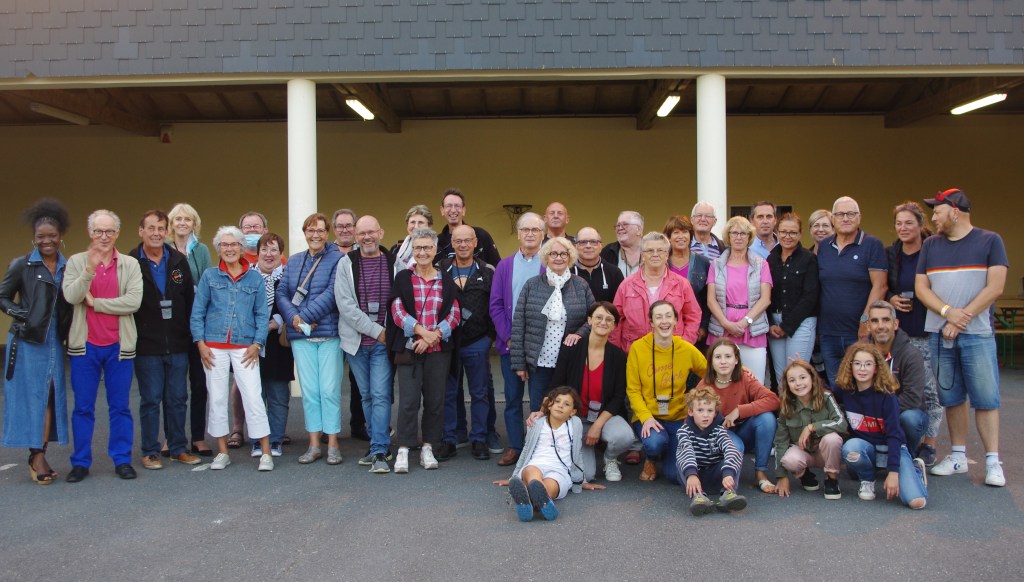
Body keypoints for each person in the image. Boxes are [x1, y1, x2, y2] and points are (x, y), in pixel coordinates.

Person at [916, 188, 1008, 487]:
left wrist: (961, 317)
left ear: (954, 211)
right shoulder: (931, 245)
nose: (933, 217)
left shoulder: (990, 241)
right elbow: (921, 288)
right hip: (939, 333)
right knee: (951, 397)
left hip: (977, 334)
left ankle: (993, 461)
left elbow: (995, 287)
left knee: (986, 398)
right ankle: (957, 456)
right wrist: (947, 312)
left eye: (937, 211)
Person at [62, 209, 143, 483]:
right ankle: (80, 462)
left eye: (109, 231)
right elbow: (71, 296)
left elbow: (133, 302)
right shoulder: (76, 262)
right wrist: (89, 269)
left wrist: (96, 303)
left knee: (120, 406)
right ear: (90, 232)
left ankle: (121, 460)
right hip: (85, 346)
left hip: (119, 345)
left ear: (117, 233)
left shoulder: (130, 264)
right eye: (99, 231)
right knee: (83, 407)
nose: (104, 236)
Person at [1, 199, 72, 484]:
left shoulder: (68, 266)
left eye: (51, 235)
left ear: (60, 236)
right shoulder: (22, 265)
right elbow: (2, 297)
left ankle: (39, 451)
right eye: (41, 236)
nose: (46, 241)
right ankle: (36, 456)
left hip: (54, 340)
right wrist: (23, 314)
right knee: (34, 397)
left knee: (51, 396)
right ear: (34, 237)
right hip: (28, 342)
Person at [191, 226, 273, 472]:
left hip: (245, 346)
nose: (229, 249)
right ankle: (222, 452)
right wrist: (200, 344)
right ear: (218, 249)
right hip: (213, 347)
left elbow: (262, 314)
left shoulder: (255, 278)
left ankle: (266, 452)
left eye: (234, 244)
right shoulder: (209, 276)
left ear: (241, 247)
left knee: (253, 397)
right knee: (217, 398)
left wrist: (257, 343)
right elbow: (197, 312)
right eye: (224, 245)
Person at [129, 210, 200, 470]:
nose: (156, 233)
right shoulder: (131, 262)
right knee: (150, 400)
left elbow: (190, 301)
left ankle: (178, 447)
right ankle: (150, 451)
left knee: (178, 398)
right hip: (146, 344)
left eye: (161, 228)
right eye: (151, 228)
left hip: (178, 343)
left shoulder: (178, 261)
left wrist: (190, 335)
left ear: (166, 232)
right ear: (141, 231)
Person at [389, 228, 460, 473]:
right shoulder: (403, 278)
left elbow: (454, 314)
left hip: (438, 351)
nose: (422, 252)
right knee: (408, 401)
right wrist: (421, 332)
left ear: (435, 250)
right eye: (418, 247)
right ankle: (404, 448)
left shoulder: (445, 280)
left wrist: (434, 337)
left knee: (434, 401)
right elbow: (397, 311)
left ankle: (429, 446)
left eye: (427, 247)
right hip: (410, 349)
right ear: (412, 250)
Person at [277, 213, 343, 465]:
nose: (316, 235)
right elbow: (282, 293)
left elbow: (333, 293)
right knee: (310, 392)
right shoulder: (294, 261)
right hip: (300, 337)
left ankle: (333, 443)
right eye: (311, 230)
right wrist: (295, 319)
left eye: (320, 230)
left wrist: (304, 317)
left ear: (328, 233)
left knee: (329, 390)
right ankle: (314, 444)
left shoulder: (338, 259)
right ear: (304, 232)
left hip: (328, 334)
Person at [832, 343, 928, 509]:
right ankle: (867, 479)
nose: (862, 369)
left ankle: (916, 469)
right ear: (850, 366)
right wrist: (804, 371)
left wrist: (893, 472)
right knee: (851, 447)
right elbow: (822, 393)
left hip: (891, 448)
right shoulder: (844, 390)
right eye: (857, 363)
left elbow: (894, 435)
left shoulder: (887, 396)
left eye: (868, 364)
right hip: (866, 450)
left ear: (876, 368)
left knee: (916, 503)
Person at [335, 215, 396, 474]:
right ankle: (376, 443)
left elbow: (400, 300)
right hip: (357, 342)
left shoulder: (395, 263)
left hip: (384, 343)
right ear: (356, 236)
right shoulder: (345, 263)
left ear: (380, 233)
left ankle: (380, 448)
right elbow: (346, 306)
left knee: (380, 394)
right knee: (367, 395)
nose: (367, 237)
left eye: (371, 232)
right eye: (362, 233)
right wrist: (376, 331)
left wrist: (384, 333)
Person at [551, 302, 638, 482]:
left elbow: (618, 397)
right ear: (589, 320)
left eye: (609, 319)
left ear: (614, 326)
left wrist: (597, 425)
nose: (603, 322)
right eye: (598, 317)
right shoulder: (571, 349)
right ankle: (581, 450)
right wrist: (543, 409)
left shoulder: (618, 356)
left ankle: (610, 458)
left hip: (604, 417)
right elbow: (557, 385)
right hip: (575, 418)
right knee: (586, 476)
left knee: (625, 437)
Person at [511, 237, 594, 415]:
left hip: (569, 361)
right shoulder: (532, 285)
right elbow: (518, 324)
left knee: (568, 410)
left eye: (563, 253)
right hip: (540, 362)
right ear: (546, 257)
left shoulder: (581, 285)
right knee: (539, 410)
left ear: (570, 257)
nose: (558, 258)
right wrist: (519, 363)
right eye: (553, 253)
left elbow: (593, 318)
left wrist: (579, 333)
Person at [626, 301, 708, 482]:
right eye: (659, 317)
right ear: (651, 323)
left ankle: (668, 452)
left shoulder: (685, 348)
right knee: (655, 443)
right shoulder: (638, 348)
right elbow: (633, 390)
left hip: (678, 417)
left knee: (674, 475)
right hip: (649, 416)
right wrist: (646, 417)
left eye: (668, 316)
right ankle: (651, 457)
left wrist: (740, 370)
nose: (664, 321)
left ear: (676, 321)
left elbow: (710, 372)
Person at [493, 387, 603, 522]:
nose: (560, 406)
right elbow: (526, 450)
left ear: (573, 412)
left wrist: (581, 481)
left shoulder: (575, 424)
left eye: (566, 404)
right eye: (557, 401)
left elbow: (577, 453)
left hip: (560, 470)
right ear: (549, 405)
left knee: (551, 485)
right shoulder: (537, 423)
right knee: (531, 472)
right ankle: (539, 502)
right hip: (536, 464)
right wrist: (514, 477)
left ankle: (529, 503)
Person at [886, 200, 942, 465]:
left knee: (930, 390)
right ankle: (906, 437)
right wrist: (891, 297)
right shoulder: (892, 253)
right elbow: (884, 285)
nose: (903, 228)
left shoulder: (933, 251)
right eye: (899, 223)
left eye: (909, 223)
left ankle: (929, 443)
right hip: (901, 333)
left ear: (921, 225)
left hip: (928, 329)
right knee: (900, 386)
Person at [438, 224, 499, 461]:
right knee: (449, 392)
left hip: (477, 341)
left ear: (475, 243)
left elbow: (495, 304)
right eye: (458, 241)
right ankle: (450, 439)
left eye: (467, 240)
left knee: (479, 393)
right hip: (448, 341)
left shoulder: (487, 270)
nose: (463, 245)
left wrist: (490, 337)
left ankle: (479, 438)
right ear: (452, 244)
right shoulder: (440, 269)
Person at [490, 212, 547, 467]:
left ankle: (536, 447)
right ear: (519, 234)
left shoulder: (550, 264)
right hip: (510, 344)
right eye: (525, 229)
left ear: (543, 234)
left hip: (540, 346)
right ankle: (515, 445)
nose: (530, 234)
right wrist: (509, 338)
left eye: (535, 230)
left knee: (538, 400)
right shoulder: (504, 266)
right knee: (512, 398)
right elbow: (496, 305)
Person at [816, 196, 888, 384]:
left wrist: (865, 321)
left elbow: (880, 286)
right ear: (833, 219)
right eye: (840, 214)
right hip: (828, 332)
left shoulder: (872, 245)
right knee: (836, 386)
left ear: (859, 217)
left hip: (858, 332)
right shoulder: (824, 247)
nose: (846, 218)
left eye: (851, 214)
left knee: (863, 385)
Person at [699, 338, 781, 494]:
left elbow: (773, 400)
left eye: (728, 356)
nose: (723, 361)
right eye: (718, 357)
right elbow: (691, 420)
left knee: (767, 418)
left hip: (743, 429)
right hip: (718, 435)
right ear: (711, 362)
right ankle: (727, 482)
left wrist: (739, 411)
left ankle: (760, 474)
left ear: (736, 360)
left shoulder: (745, 378)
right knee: (735, 446)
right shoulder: (705, 385)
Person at [167, 202, 213, 456]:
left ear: (195, 224)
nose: (183, 223)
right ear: (171, 224)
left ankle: (197, 437)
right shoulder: (164, 249)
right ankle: (171, 437)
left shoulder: (201, 250)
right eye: (178, 219)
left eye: (187, 219)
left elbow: (206, 283)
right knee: (173, 387)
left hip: (198, 324)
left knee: (199, 384)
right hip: (172, 326)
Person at [706, 216, 773, 384]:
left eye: (743, 233)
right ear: (728, 236)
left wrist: (745, 322)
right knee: (721, 383)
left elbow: (765, 299)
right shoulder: (716, 264)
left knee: (754, 382)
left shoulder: (761, 264)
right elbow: (711, 300)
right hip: (722, 328)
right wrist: (726, 324)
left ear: (749, 237)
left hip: (752, 329)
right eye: (734, 233)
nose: (738, 237)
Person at [612, 232, 702, 352]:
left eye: (660, 250)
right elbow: (615, 320)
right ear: (643, 255)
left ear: (667, 255)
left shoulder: (682, 284)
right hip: (636, 351)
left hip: (673, 350)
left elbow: (693, 316)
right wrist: (616, 352)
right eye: (650, 251)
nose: (655, 254)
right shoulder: (626, 285)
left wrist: (684, 344)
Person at [867, 301, 936, 457]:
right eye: (875, 321)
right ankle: (871, 455)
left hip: (903, 412)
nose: (880, 326)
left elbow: (913, 398)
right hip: (870, 414)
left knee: (910, 419)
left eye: (886, 320)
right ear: (868, 326)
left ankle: (908, 453)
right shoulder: (860, 352)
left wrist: (880, 411)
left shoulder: (911, 354)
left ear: (895, 324)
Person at [773, 359, 847, 500]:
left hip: (824, 453)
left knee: (832, 439)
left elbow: (842, 423)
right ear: (787, 385)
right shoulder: (786, 406)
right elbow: (780, 441)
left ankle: (831, 479)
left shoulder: (826, 397)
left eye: (802, 377)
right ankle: (804, 474)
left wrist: (812, 427)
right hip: (804, 452)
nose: (798, 383)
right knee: (789, 460)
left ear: (812, 378)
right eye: (792, 380)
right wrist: (782, 476)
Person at [228, 210, 270, 448]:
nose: (252, 231)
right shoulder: (234, 258)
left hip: (271, 329)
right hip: (242, 332)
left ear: (265, 231)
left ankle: (271, 429)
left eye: (257, 227)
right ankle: (237, 429)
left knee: (273, 382)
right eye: (248, 228)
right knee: (240, 382)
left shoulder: (277, 257)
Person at [675, 386, 747, 516]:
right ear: (690, 412)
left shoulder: (719, 431)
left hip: (717, 476)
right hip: (695, 477)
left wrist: (728, 473)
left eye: (710, 410)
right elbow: (687, 452)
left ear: (715, 413)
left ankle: (728, 494)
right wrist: (691, 474)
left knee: (736, 453)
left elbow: (730, 449)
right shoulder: (684, 431)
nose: (705, 415)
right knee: (681, 458)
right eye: (700, 410)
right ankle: (698, 497)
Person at [767, 212, 819, 385]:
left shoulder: (809, 259)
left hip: (801, 322)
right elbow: (765, 293)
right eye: (783, 232)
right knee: (781, 376)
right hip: (775, 323)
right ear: (777, 232)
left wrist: (786, 327)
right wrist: (770, 324)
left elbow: (810, 296)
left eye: (793, 233)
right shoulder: (771, 258)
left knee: (797, 374)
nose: (787, 236)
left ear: (800, 234)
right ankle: (785, 404)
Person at [332, 208, 369, 444]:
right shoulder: (327, 254)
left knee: (358, 380)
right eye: (340, 226)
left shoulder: (363, 252)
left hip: (357, 325)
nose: (345, 230)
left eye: (349, 225)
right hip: (329, 325)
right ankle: (330, 427)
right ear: (334, 230)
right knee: (331, 381)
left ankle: (359, 424)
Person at [255, 232, 293, 458]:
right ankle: (258, 440)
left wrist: (278, 320)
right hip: (251, 343)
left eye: (274, 250)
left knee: (278, 395)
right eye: (264, 249)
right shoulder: (248, 277)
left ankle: (276, 439)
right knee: (255, 395)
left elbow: (294, 302)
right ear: (257, 252)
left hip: (278, 343)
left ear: (281, 254)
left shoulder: (288, 277)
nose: (269, 254)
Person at [663, 215, 711, 343]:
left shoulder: (703, 262)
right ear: (669, 237)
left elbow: (708, 298)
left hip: (697, 329)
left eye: (684, 232)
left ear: (690, 236)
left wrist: (703, 326)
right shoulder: (662, 263)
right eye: (676, 232)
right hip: (666, 327)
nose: (681, 236)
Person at [435, 188, 500, 266]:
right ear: (442, 210)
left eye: (457, 206)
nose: (453, 210)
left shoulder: (481, 236)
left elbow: (497, 267)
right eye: (449, 206)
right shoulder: (437, 242)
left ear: (464, 210)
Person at [571, 226, 623, 304]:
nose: (588, 246)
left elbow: (620, 305)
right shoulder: (567, 273)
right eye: (583, 242)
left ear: (601, 246)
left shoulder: (614, 273)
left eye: (593, 242)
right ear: (576, 247)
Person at [390, 204, 432, 276]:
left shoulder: (435, 250)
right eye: (412, 222)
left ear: (429, 226)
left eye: (421, 222)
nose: (416, 226)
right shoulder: (395, 249)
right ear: (407, 226)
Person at [601, 211, 644, 277]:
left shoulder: (653, 251)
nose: (620, 228)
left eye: (625, 224)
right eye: (618, 225)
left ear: (639, 230)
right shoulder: (608, 251)